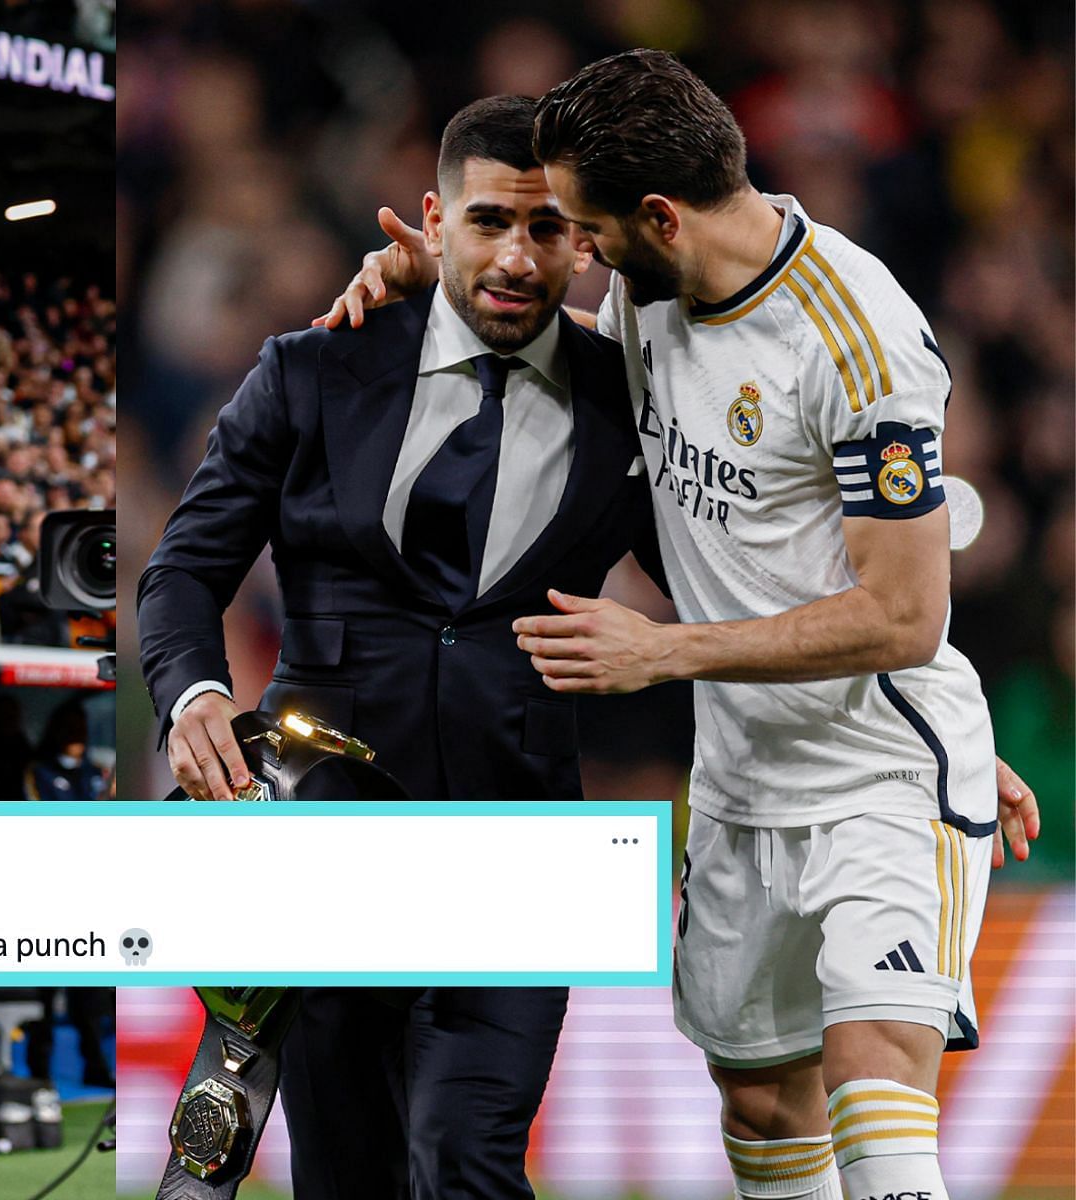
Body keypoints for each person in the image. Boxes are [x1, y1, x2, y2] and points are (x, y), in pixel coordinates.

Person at [319, 51, 1043, 1200]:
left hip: (878, 775)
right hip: (744, 782)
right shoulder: (654, 299)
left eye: (589, 228)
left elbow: (905, 614)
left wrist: (667, 652)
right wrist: (434, 281)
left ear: (659, 214)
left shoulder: (859, 344)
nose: (580, 254)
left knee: (874, 1087)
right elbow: (708, 520)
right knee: (760, 1104)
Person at [138, 97, 661, 1199]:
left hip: (521, 851)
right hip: (324, 846)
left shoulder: (637, 414)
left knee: (465, 1157)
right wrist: (191, 699)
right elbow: (184, 571)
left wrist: (924, 710)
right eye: (488, 223)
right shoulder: (311, 372)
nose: (517, 257)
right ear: (434, 218)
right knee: (348, 1173)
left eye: (549, 229)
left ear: (588, 243)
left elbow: (738, 592)